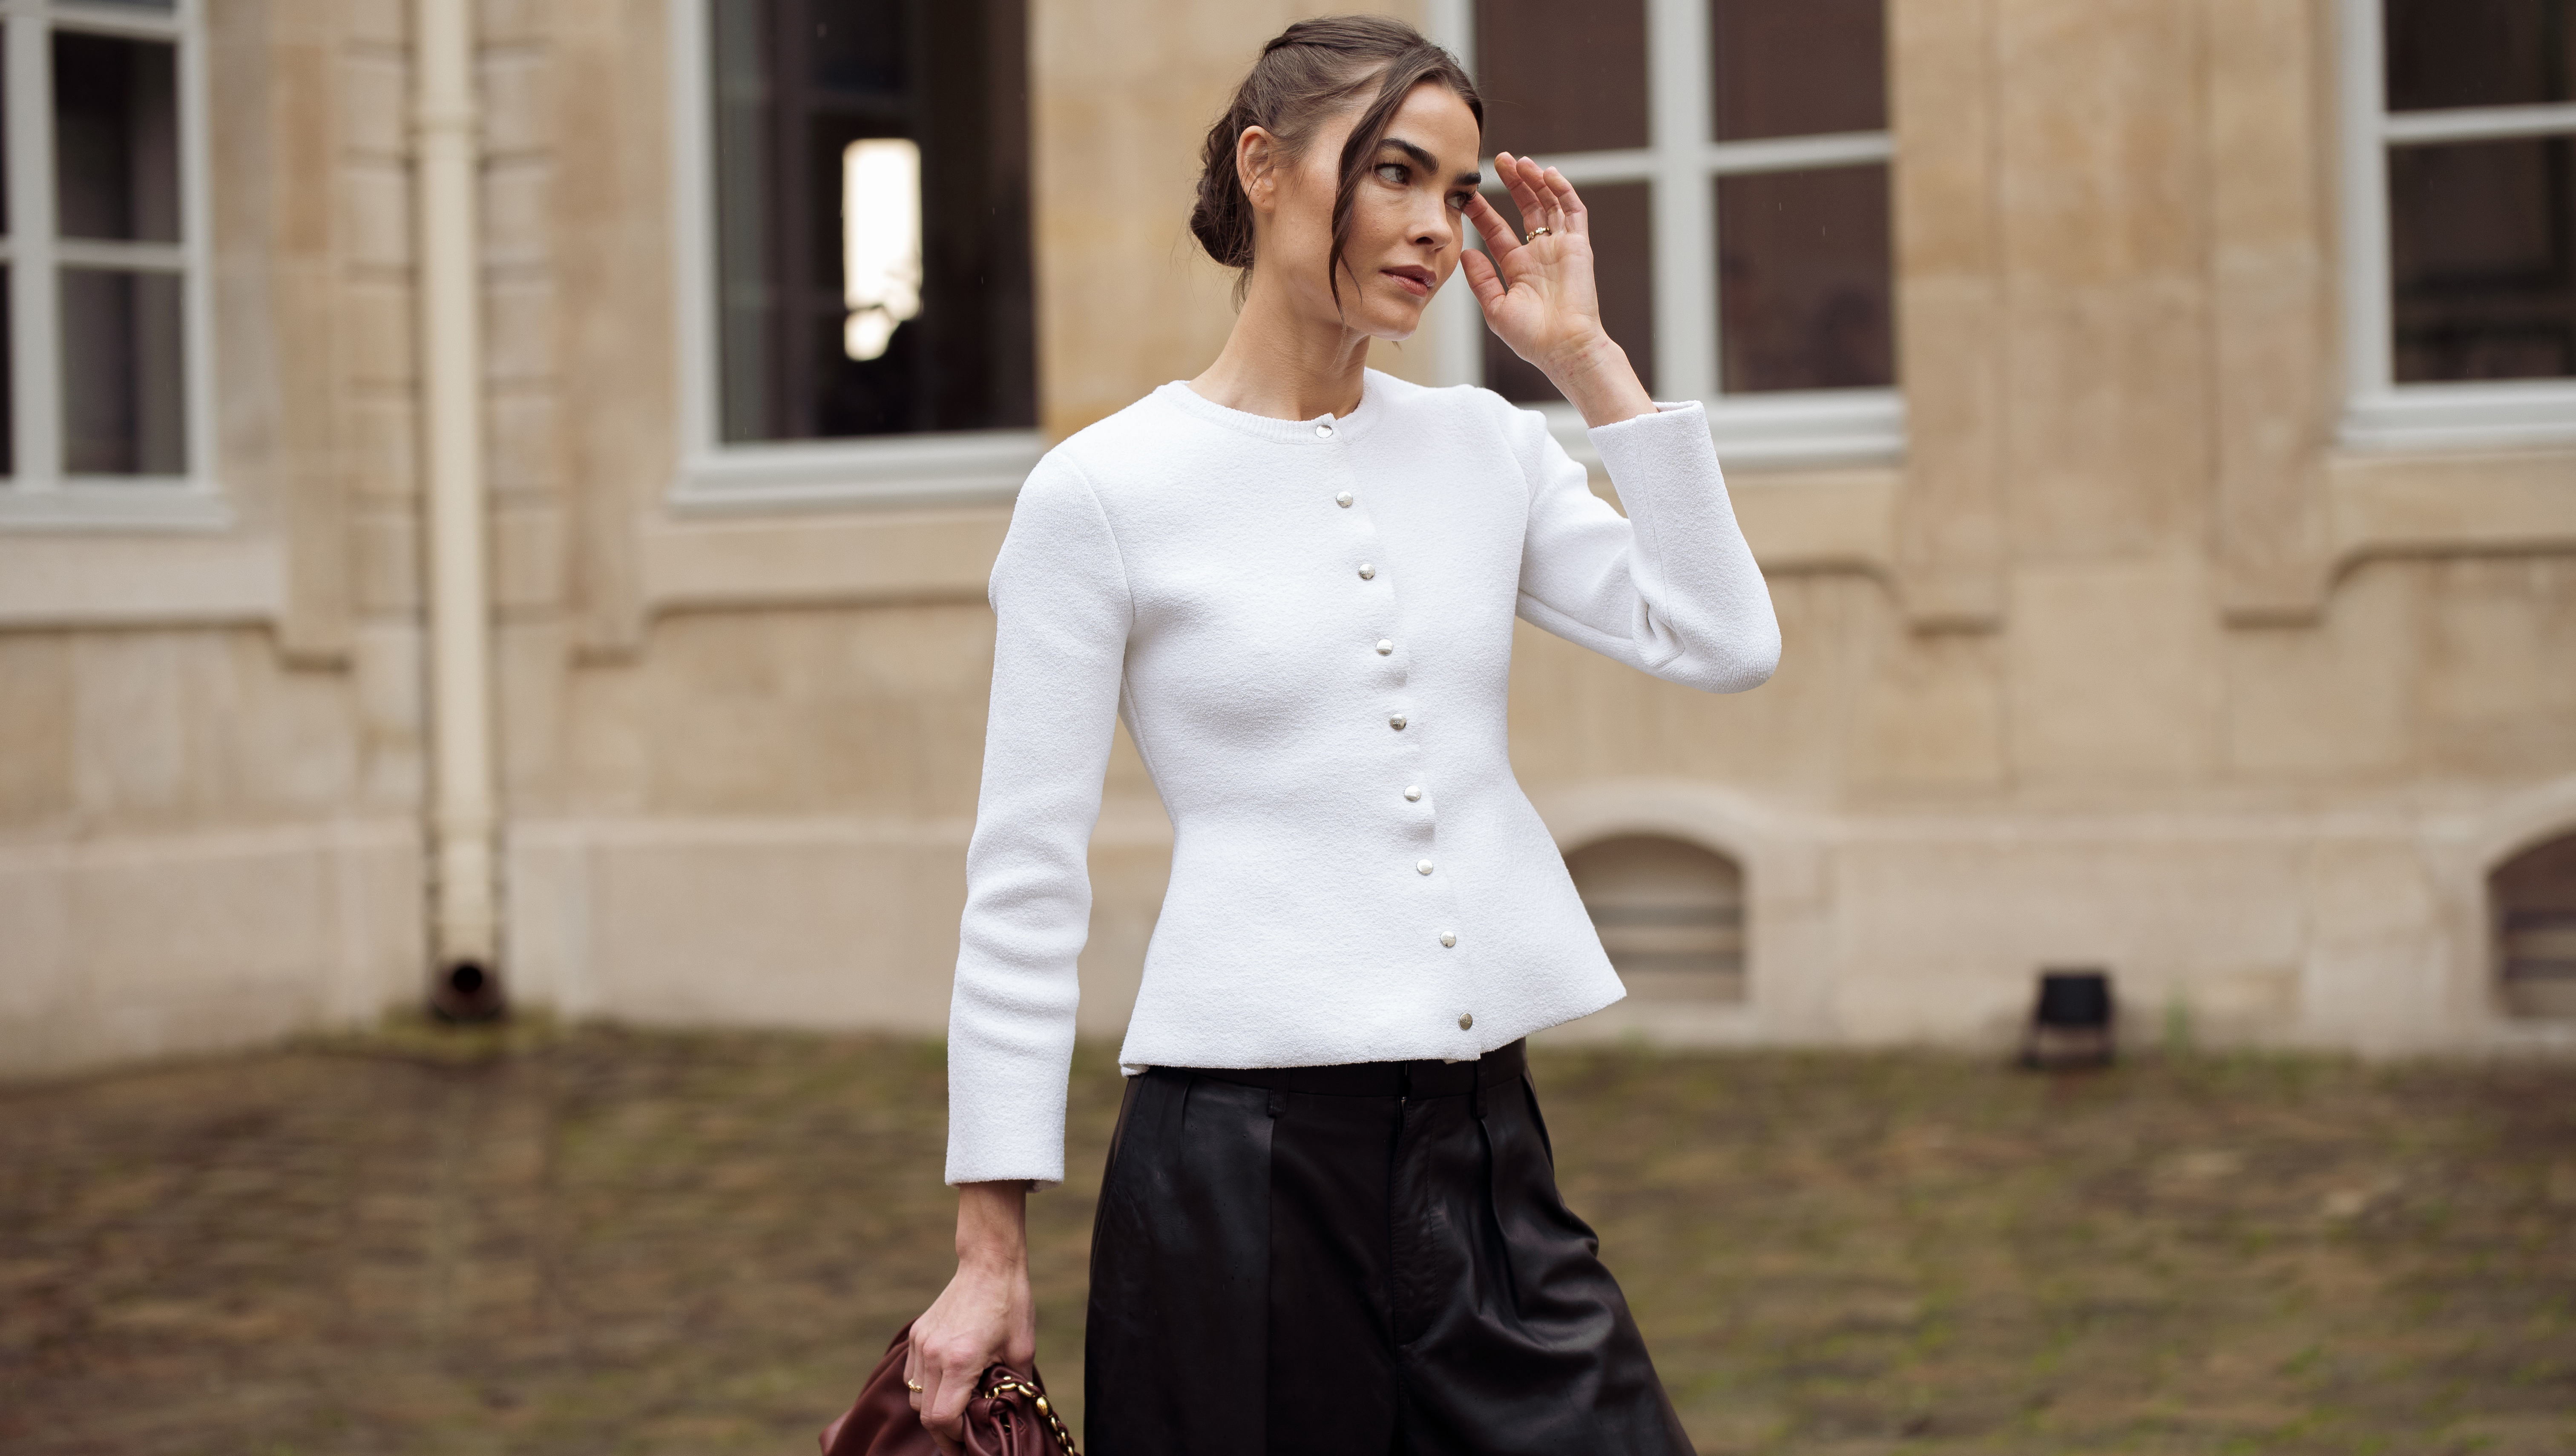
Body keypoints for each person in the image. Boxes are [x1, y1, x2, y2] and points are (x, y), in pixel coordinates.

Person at [902, 15, 1778, 1454]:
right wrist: (988, 1248)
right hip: (1237, 1186)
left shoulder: (1488, 447)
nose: (1434, 225)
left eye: (1458, 190)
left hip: (1485, 1159)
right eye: (1393, 172)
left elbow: (1723, 638)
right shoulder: (1102, 494)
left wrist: (1588, 362)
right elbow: (1024, 885)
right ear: (1265, 167)